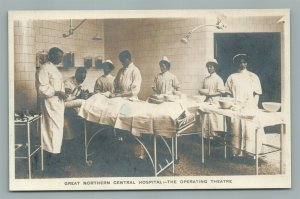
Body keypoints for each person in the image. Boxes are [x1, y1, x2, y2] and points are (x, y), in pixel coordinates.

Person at [36, 47, 68, 174]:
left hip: (57, 104)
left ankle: (55, 161)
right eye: (59, 56)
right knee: (52, 131)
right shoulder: (44, 68)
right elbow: (42, 89)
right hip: (50, 104)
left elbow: (58, 86)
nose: (61, 59)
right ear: (52, 55)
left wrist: (64, 92)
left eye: (62, 56)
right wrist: (57, 92)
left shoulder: (54, 69)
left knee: (56, 131)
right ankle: (53, 165)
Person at [225, 54, 264, 158]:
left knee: (250, 129)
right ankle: (237, 153)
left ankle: (251, 152)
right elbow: (228, 94)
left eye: (244, 62)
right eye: (240, 62)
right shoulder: (232, 77)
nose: (242, 64)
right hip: (236, 107)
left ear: (247, 63)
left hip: (249, 108)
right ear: (236, 63)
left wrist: (253, 105)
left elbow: (257, 93)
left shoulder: (253, 76)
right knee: (236, 129)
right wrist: (233, 104)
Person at [110, 50, 144, 159]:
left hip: (130, 101)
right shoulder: (121, 70)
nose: (121, 63)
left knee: (129, 124)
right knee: (118, 122)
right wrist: (114, 92)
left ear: (128, 59)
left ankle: (136, 150)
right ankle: (121, 146)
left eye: (122, 61)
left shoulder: (135, 71)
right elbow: (115, 83)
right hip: (120, 99)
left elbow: (135, 90)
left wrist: (121, 94)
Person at [199, 58, 226, 138]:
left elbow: (221, 92)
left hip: (215, 102)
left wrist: (211, 94)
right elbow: (203, 90)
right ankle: (207, 136)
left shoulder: (218, 79)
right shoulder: (205, 79)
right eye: (208, 67)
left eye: (211, 67)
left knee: (214, 120)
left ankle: (215, 137)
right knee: (206, 118)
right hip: (207, 101)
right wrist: (202, 92)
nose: (209, 68)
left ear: (215, 68)